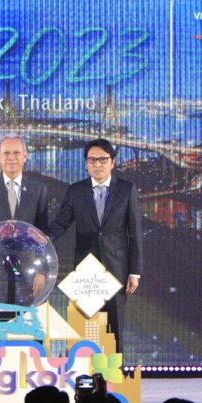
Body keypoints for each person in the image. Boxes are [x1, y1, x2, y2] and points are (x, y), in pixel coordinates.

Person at [46, 138, 143, 354]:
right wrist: (42, 239)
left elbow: (135, 233)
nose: (97, 164)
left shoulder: (126, 190)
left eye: (102, 159)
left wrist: (134, 272)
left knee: (114, 327)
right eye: (92, 160)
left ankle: (114, 372)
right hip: (86, 270)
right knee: (86, 326)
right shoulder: (76, 191)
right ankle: (86, 371)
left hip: (116, 268)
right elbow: (61, 223)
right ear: (86, 164)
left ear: (112, 162)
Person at [0, 136, 49, 232]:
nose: (11, 157)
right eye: (6, 153)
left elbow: (41, 233)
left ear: (25, 157)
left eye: (16, 153)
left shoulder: (39, 189)